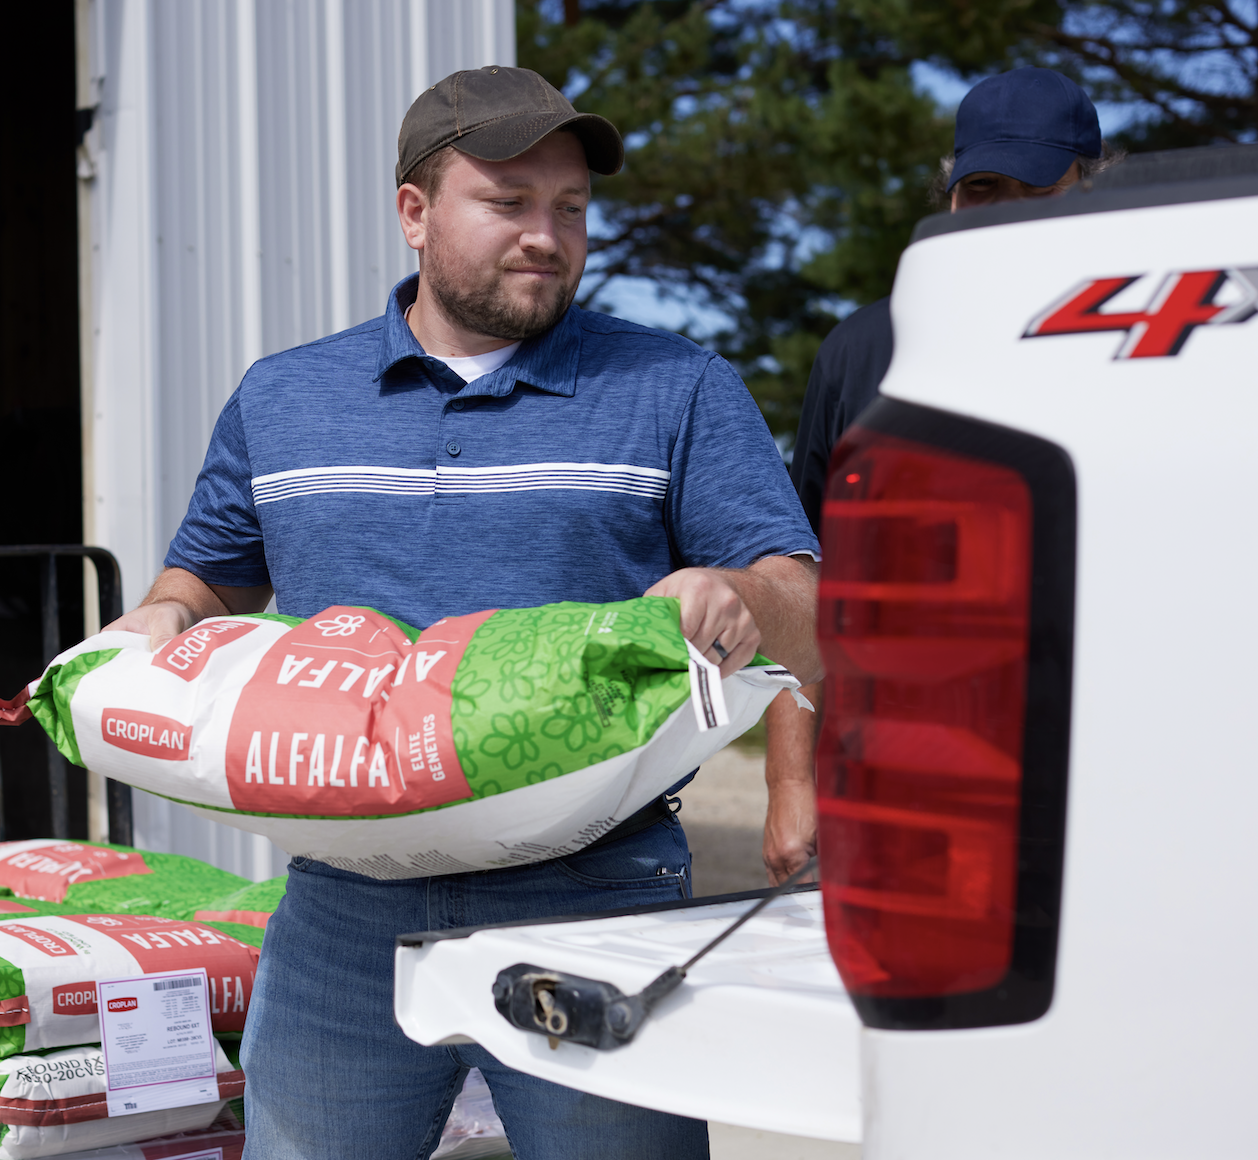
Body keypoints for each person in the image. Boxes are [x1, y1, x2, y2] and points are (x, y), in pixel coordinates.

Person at [107, 66, 822, 1159]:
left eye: (571, 207)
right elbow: (205, 580)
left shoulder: (675, 387)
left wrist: (744, 595)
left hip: (598, 900)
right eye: (509, 201)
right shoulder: (283, 397)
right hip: (346, 908)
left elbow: (811, 614)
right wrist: (158, 619)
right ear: (413, 212)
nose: (548, 234)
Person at [764, 66, 1114, 883]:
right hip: (895, 791)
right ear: (950, 194)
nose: (1003, 216)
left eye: (1038, 190)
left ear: (1094, 193)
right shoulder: (861, 351)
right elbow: (798, 580)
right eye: (984, 187)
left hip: (1098, 784)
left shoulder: (1146, 345)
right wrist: (789, 778)